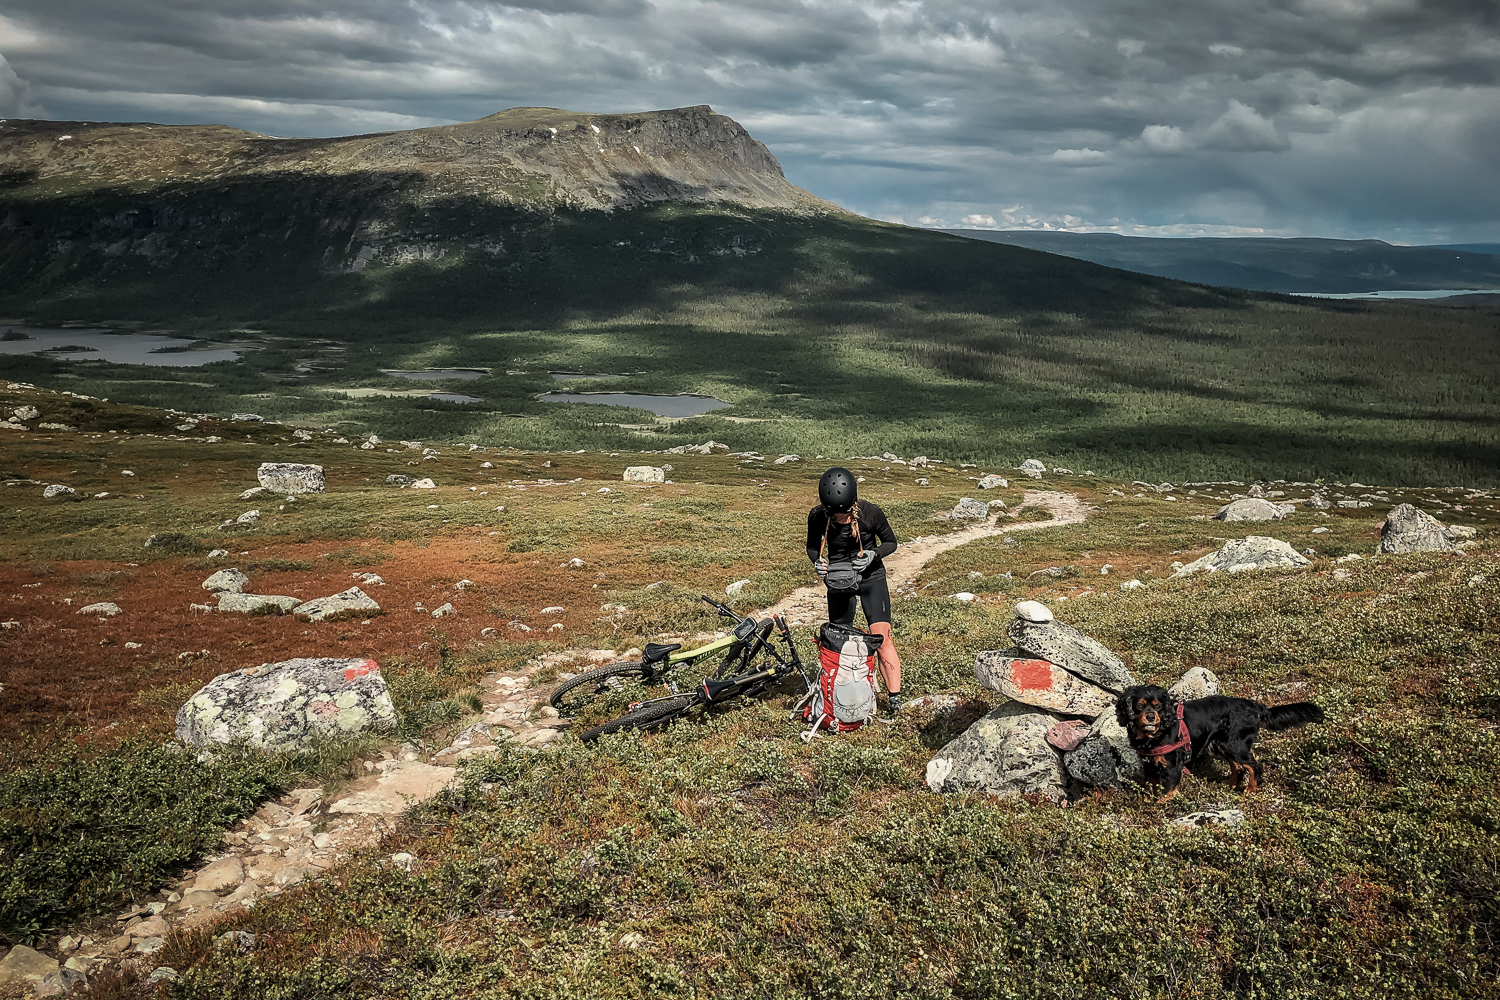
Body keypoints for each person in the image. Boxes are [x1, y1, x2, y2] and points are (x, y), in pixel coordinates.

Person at [806, 466, 903, 713]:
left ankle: (894, 699)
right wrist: (817, 562)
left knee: (882, 640)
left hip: (872, 578)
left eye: (847, 513)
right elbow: (812, 547)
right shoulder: (818, 516)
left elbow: (891, 542)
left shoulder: (871, 513)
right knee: (841, 641)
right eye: (836, 515)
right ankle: (845, 696)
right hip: (839, 581)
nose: (842, 518)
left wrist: (873, 554)